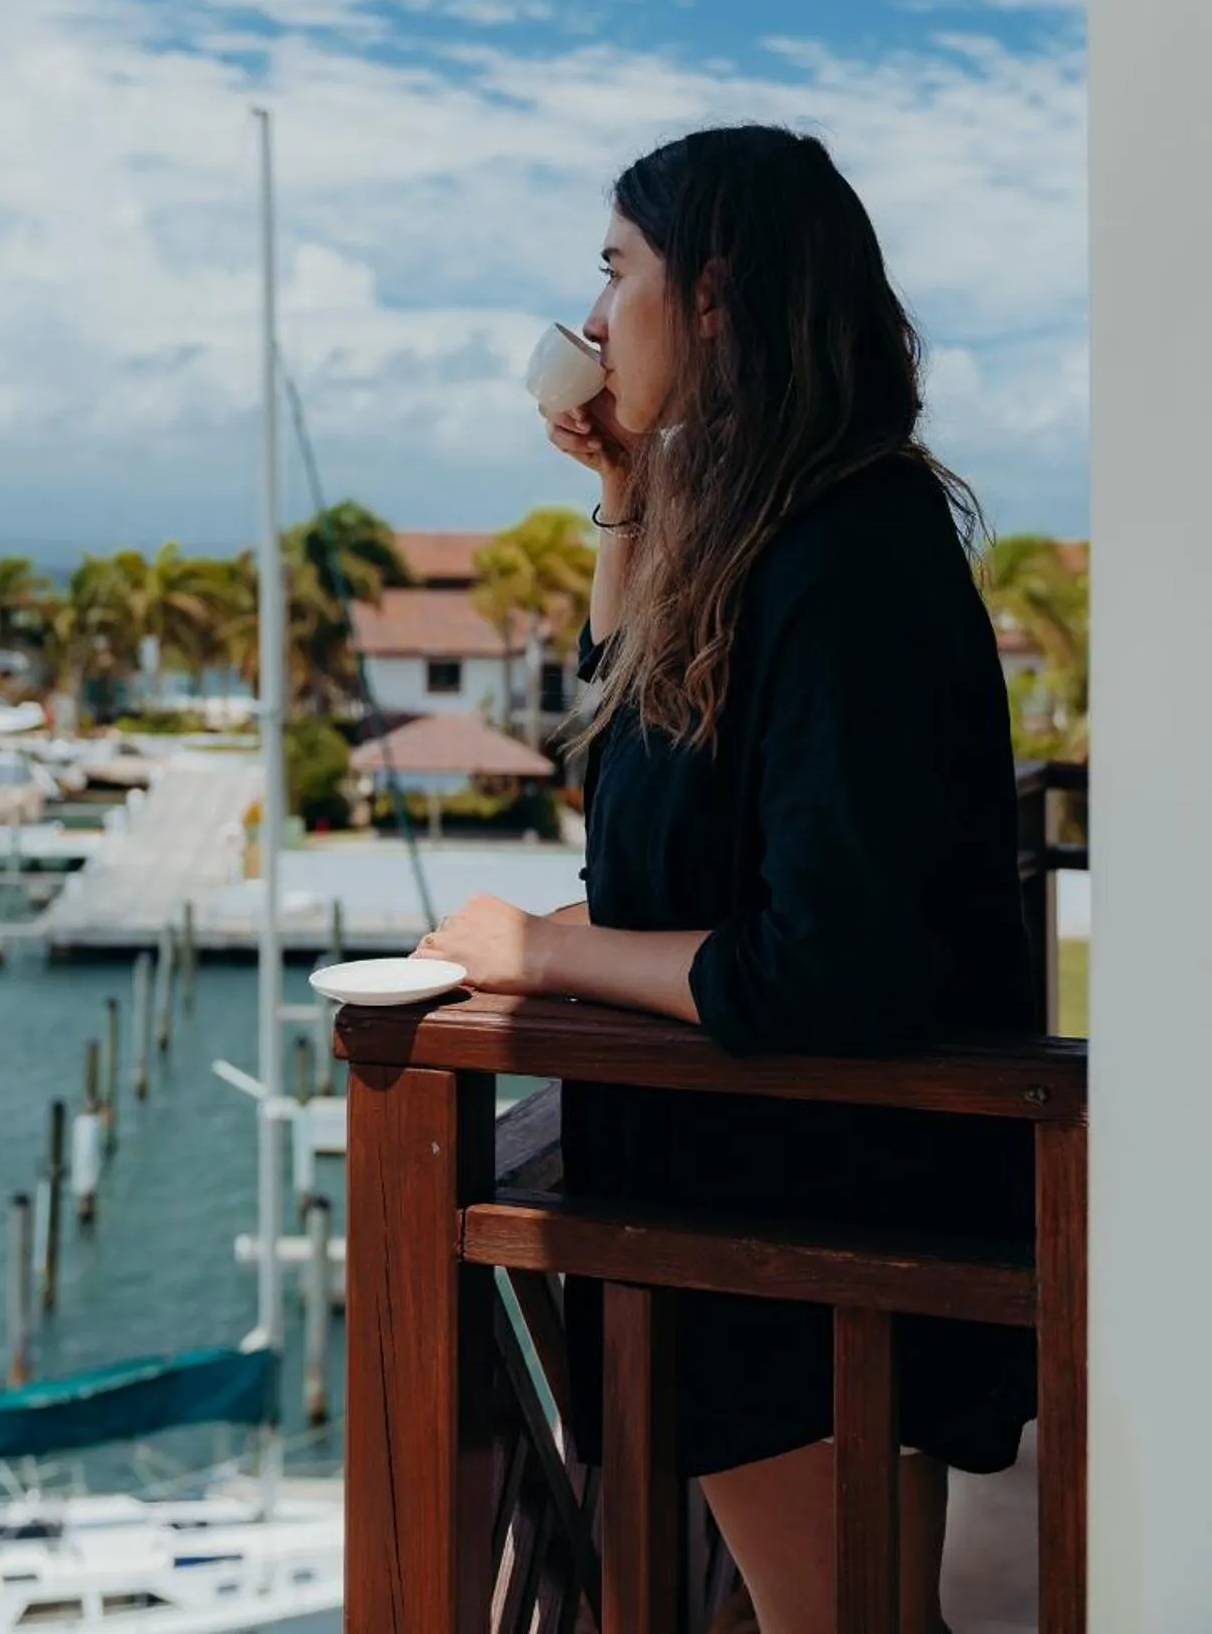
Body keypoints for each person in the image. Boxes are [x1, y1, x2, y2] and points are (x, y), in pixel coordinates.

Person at [415, 125, 1037, 1634]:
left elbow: (816, 962)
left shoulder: (851, 558)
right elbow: (629, 756)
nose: (589, 316)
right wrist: (625, 492)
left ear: (709, 296)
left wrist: (544, 956)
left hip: (802, 1217)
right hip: (785, 1204)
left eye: (613, 270)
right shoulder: (788, 526)